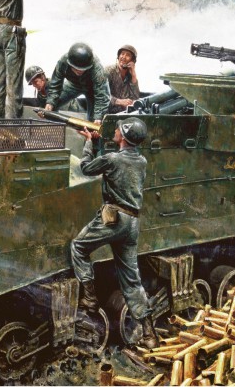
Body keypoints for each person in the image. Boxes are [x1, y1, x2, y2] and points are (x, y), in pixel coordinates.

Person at [71, 117, 159, 349]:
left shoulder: (112, 159)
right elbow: (114, 165)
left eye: (119, 129)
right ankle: (149, 334)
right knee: (131, 280)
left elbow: (87, 168)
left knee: (78, 247)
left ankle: (90, 298)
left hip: (113, 220)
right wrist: (98, 143)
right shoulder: (141, 161)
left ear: (124, 136)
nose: (115, 131)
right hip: (132, 224)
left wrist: (89, 143)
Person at [44, 42, 111, 123]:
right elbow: (55, 83)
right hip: (73, 85)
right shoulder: (63, 62)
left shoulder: (97, 68)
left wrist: (98, 117)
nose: (79, 71)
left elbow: (102, 95)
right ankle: (52, 124)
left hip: (92, 89)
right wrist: (50, 102)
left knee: (95, 120)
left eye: (83, 69)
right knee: (51, 105)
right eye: (76, 69)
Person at [107, 44, 141, 114]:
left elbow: (136, 97)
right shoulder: (109, 71)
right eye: (122, 54)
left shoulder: (130, 75)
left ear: (132, 60)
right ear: (118, 56)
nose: (124, 57)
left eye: (128, 55)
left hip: (123, 113)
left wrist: (133, 74)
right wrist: (119, 101)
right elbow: (100, 95)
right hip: (107, 112)